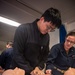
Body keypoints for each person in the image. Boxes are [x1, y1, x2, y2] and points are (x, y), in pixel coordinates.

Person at [10, 7, 62, 75]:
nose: (49, 31)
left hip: (35, 72)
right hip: (18, 71)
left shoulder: (46, 37)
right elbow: (17, 54)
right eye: (48, 27)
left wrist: (39, 67)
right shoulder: (23, 29)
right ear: (42, 19)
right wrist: (30, 70)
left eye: (52, 29)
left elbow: (45, 55)